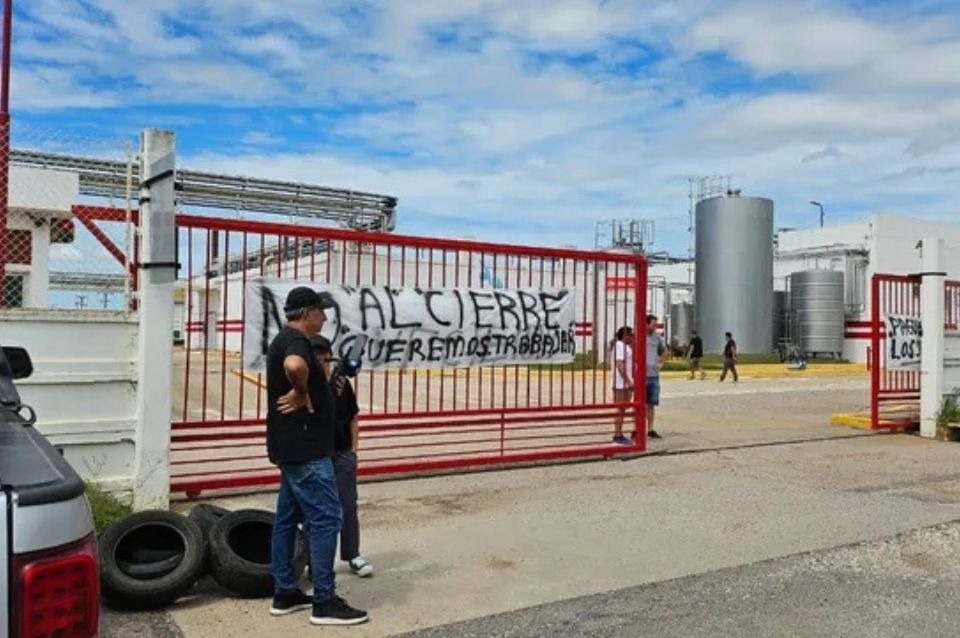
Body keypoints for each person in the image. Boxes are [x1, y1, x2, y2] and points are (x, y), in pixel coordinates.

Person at [266, 286, 368, 626]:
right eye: (321, 311)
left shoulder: (285, 339)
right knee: (327, 518)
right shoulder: (297, 341)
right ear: (308, 313)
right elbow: (294, 364)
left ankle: (285, 592)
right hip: (307, 452)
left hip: (293, 449)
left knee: (286, 520)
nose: (325, 317)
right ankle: (325, 601)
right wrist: (301, 391)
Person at [310, 335, 374, 579]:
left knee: (347, 505)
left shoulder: (341, 382)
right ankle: (315, 562)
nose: (321, 360)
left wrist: (353, 450)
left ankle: (353, 554)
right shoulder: (305, 383)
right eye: (315, 355)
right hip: (316, 456)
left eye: (323, 355)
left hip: (342, 453)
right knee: (316, 509)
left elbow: (353, 416)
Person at [610, 326, 634, 445]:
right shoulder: (620, 346)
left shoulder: (624, 346)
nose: (633, 337)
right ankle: (618, 435)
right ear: (625, 335)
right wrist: (628, 381)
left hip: (623, 383)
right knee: (620, 409)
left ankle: (619, 434)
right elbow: (620, 364)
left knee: (622, 409)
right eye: (631, 335)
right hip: (621, 384)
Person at [644, 314, 666, 439]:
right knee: (640, 404)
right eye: (653, 324)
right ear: (646, 324)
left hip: (653, 375)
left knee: (651, 404)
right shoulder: (638, 336)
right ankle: (637, 428)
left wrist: (660, 363)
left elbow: (664, 351)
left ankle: (650, 429)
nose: (655, 327)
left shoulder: (657, 337)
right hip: (641, 375)